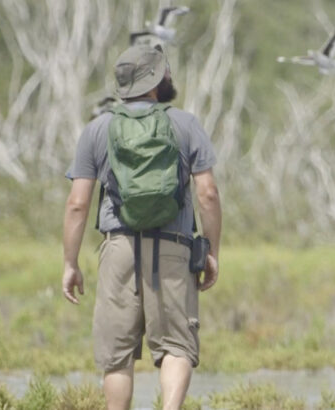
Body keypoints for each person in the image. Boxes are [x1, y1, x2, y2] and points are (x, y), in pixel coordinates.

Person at [62, 44, 221, 410]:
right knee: (176, 346)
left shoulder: (98, 129)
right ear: (155, 82)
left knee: (117, 354)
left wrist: (71, 263)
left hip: (118, 249)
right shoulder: (184, 124)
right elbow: (208, 194)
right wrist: (212, 250)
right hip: (174, 247)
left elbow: (77, 203)